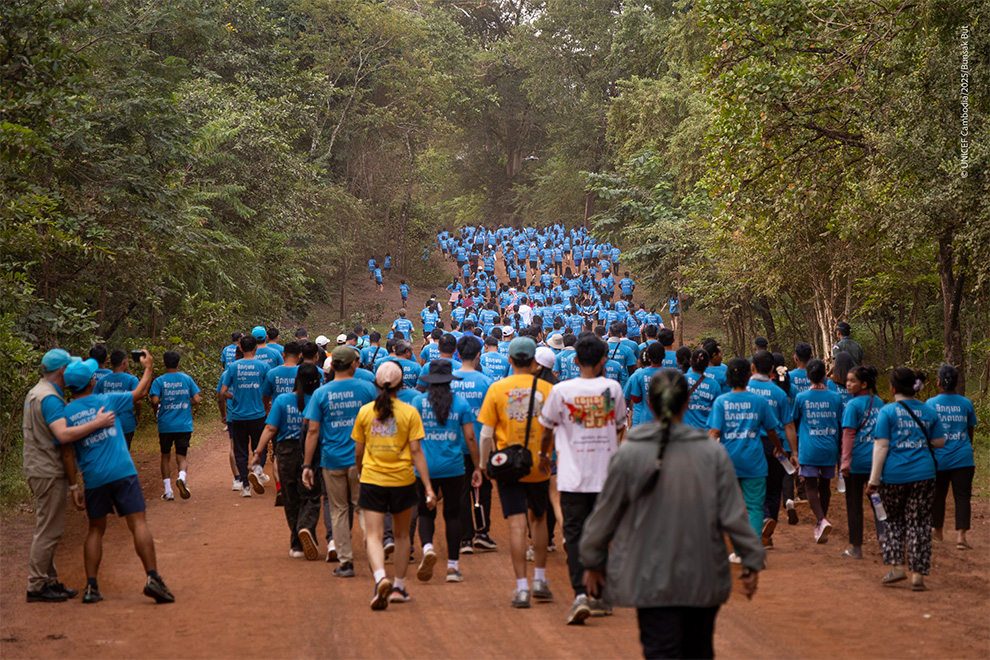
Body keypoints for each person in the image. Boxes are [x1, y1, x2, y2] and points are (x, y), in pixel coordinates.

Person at [580, 369, 765, 659]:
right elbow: (733, 515)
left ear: (650, 405)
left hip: (649, 576)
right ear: (687, 403)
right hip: (703, 575)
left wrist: (592, 560)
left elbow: (605, 514)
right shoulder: (712, 453)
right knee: (700, 651)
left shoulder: (629, 453)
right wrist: (751, 559)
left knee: (660, 651)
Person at [57, 353, 175, 604]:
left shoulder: (66, 413)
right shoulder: (107, 400)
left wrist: (74, 485)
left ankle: (91, 587)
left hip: (93, 477)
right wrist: (148, 367)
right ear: (91, 382)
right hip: (122, 471)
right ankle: (153, 578)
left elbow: (67, 454)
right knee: (138, 523)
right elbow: (140, 392)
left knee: (95, 530)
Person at [538, 334, 626, 625]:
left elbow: (548, 429)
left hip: (571, 477)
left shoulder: (561, 390)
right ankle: (600, 594)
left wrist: (543, 455)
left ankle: (580, 595)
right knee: (602, 535)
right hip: (605, 477)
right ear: (604, 360)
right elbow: (620, 427)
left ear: (574, 361)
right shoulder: (613, 388)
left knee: (574, 536)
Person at [22, 349, 116, 603]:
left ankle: (48, 580)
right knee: (49, 530)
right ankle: (37, 585)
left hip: (38, 467)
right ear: (62, 370)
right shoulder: (51, 399)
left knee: (49, 526)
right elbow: (63, 436)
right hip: (48, 470)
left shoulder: (37, 392)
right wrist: (97, 423)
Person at [477, 337, 555, 609]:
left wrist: (484, 464)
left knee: (516, 524)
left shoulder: (498, 389)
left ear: (509, 360)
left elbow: (486, 433)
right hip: (539, 463)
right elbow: (554, 428)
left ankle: (522, 588)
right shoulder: (547, 389)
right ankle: (540, 581)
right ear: (534, 362)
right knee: (540, 519)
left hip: (508, 464)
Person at [352, 361, 436, 609]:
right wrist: (429, 488)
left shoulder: (366, 412)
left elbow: (358, 452)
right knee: (401, 536)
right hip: (403, 480)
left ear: (377, 384)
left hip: (372, 479)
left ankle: (380, 579)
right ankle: (398, 587)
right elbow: (416, 452)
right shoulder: (410, 413)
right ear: (402, 384)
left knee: (375, 537)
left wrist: (362, 473)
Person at [302, 346, 378, 573]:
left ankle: (345, 561)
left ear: (332, 366)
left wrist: (307, 464)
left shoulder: (321, 393)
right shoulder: (367, 389)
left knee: (338, 510)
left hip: (331, 459)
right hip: (362, 460)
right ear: (354, 364)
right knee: (363, 507)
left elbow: (312, 431)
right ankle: (374, 550)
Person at [868, 368, 945, 591]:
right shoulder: (929, 410)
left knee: (893, 521)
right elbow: (940, 442)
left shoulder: (887, 412)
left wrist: (874, 480)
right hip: (924, 474)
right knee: (919, 523)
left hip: (893, 476)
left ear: (893, 388)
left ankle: (897, 568)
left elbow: (881, 446)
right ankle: (918, 576)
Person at [412, 361, 483, 583]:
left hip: (424, 468)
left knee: (425, 512)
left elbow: (411, 438)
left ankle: (428, 548)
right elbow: (470, 438)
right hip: (454, 467)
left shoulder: (417, 402)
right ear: (450, 380)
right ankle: (452, 567)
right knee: (452, 514)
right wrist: (478, 466)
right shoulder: (460, 404)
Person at [707, 358, 789, 541]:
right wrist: (779, 448)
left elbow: (713, 432)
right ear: (748, 375)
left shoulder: (722, 402)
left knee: (731, 506)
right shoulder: (759, 402)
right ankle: (754, 548)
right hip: (754, 461)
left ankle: (736, 550)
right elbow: (771, 430)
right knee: (755, 507)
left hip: (728, 461)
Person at [251, 363, 323, 559]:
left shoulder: (282, 400)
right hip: (311, 450)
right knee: (311, 494)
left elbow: (270, 429)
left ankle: (297, 545)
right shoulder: (318, 399)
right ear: (317, 380)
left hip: (285, 452)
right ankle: (306, 527)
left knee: (291, 498)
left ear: (296, 379)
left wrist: (258, 452)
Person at [450, 336, 497, 552]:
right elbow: (493, 417)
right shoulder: (486, 382)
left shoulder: (449, 381)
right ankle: (482, 532)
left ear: (457, 354)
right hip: (481, 444)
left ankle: (465, 539)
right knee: (483, 488)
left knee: (460, 491)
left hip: (455, 445)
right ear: (479, 354)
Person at [792, 359, 842, 543]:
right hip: (830, 447)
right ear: (824, 375)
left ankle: (821, 520)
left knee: (810, 486)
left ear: (807, 376)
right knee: (825, 486)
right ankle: (822, 521)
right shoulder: (835, 397)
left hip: (809, 448)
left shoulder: (801, 398)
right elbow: (840, 422)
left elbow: (795, 421)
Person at [928, 365, 977, 549]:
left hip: (938, 459)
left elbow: (928, 432)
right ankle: (961, 537)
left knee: (938, 496)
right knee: (962, 496)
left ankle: (938, 532)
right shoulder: (966, 403)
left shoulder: (931, 404)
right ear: (957, 383)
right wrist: (965, 447)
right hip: (963, 458)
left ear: (939, 382)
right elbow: (970, 430)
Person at [840, 364, 885, 559]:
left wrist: (845, 462)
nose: (848, 384)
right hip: (876, 463)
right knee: (878, 503)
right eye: (847, 380)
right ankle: (885, 542)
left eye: (852, 381)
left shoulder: (852, 406)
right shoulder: (880, 402)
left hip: (856, 464)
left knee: (854, 504)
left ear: (864, 384)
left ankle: (856, 548)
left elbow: (849, 435)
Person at [219, 335, 271, 497]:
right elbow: (268, 391)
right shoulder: (263, 366)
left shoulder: (233, 367)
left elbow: (222, 392)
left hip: (238, 416)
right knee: (259, 447)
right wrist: (263, 402)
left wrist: (235, 397)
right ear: (256, 348)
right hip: (258, 414)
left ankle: (245, 486)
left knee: (240, 450)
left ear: (240, 348)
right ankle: (257, 471)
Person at [149, 351, 202, 501]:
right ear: (179, 363)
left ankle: (168, 490)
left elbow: (154, 401)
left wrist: (159, 410)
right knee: (182, 455)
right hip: (183, 424)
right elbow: (197, 399)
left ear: (164, 363)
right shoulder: (186, 379)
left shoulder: (159, 381)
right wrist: (184, 404)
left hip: (165, 424)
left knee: (165, 456)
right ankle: (181, 477)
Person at [93, 350, 141, 450]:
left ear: (110, 363)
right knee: (125, 452)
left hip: (107, 422)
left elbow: (95, 401)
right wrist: (137, 414)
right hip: (126, 423)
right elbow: (138, 401)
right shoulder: (132, 380)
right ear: (124, 362)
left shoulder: (102, 380)